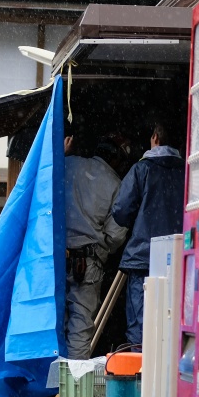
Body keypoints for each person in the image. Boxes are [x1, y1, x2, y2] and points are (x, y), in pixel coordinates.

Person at [110, 122, 185, 347]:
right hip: (179, 260)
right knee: (174, 325)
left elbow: (120, 211)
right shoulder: (188, 172)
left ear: (154, 137)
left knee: (141, 328)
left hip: (143, 258)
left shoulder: (142, 169)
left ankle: (141, 377)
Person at [63, 132, 130, 359]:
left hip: (54, 258)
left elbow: (44, 185)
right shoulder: (117, 185)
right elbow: (115, 236)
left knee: (49, 321)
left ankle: (46, 385)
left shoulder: (68, 164)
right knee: (80, 328)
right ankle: (70, 387)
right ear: (117, 160)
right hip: (88, 264)